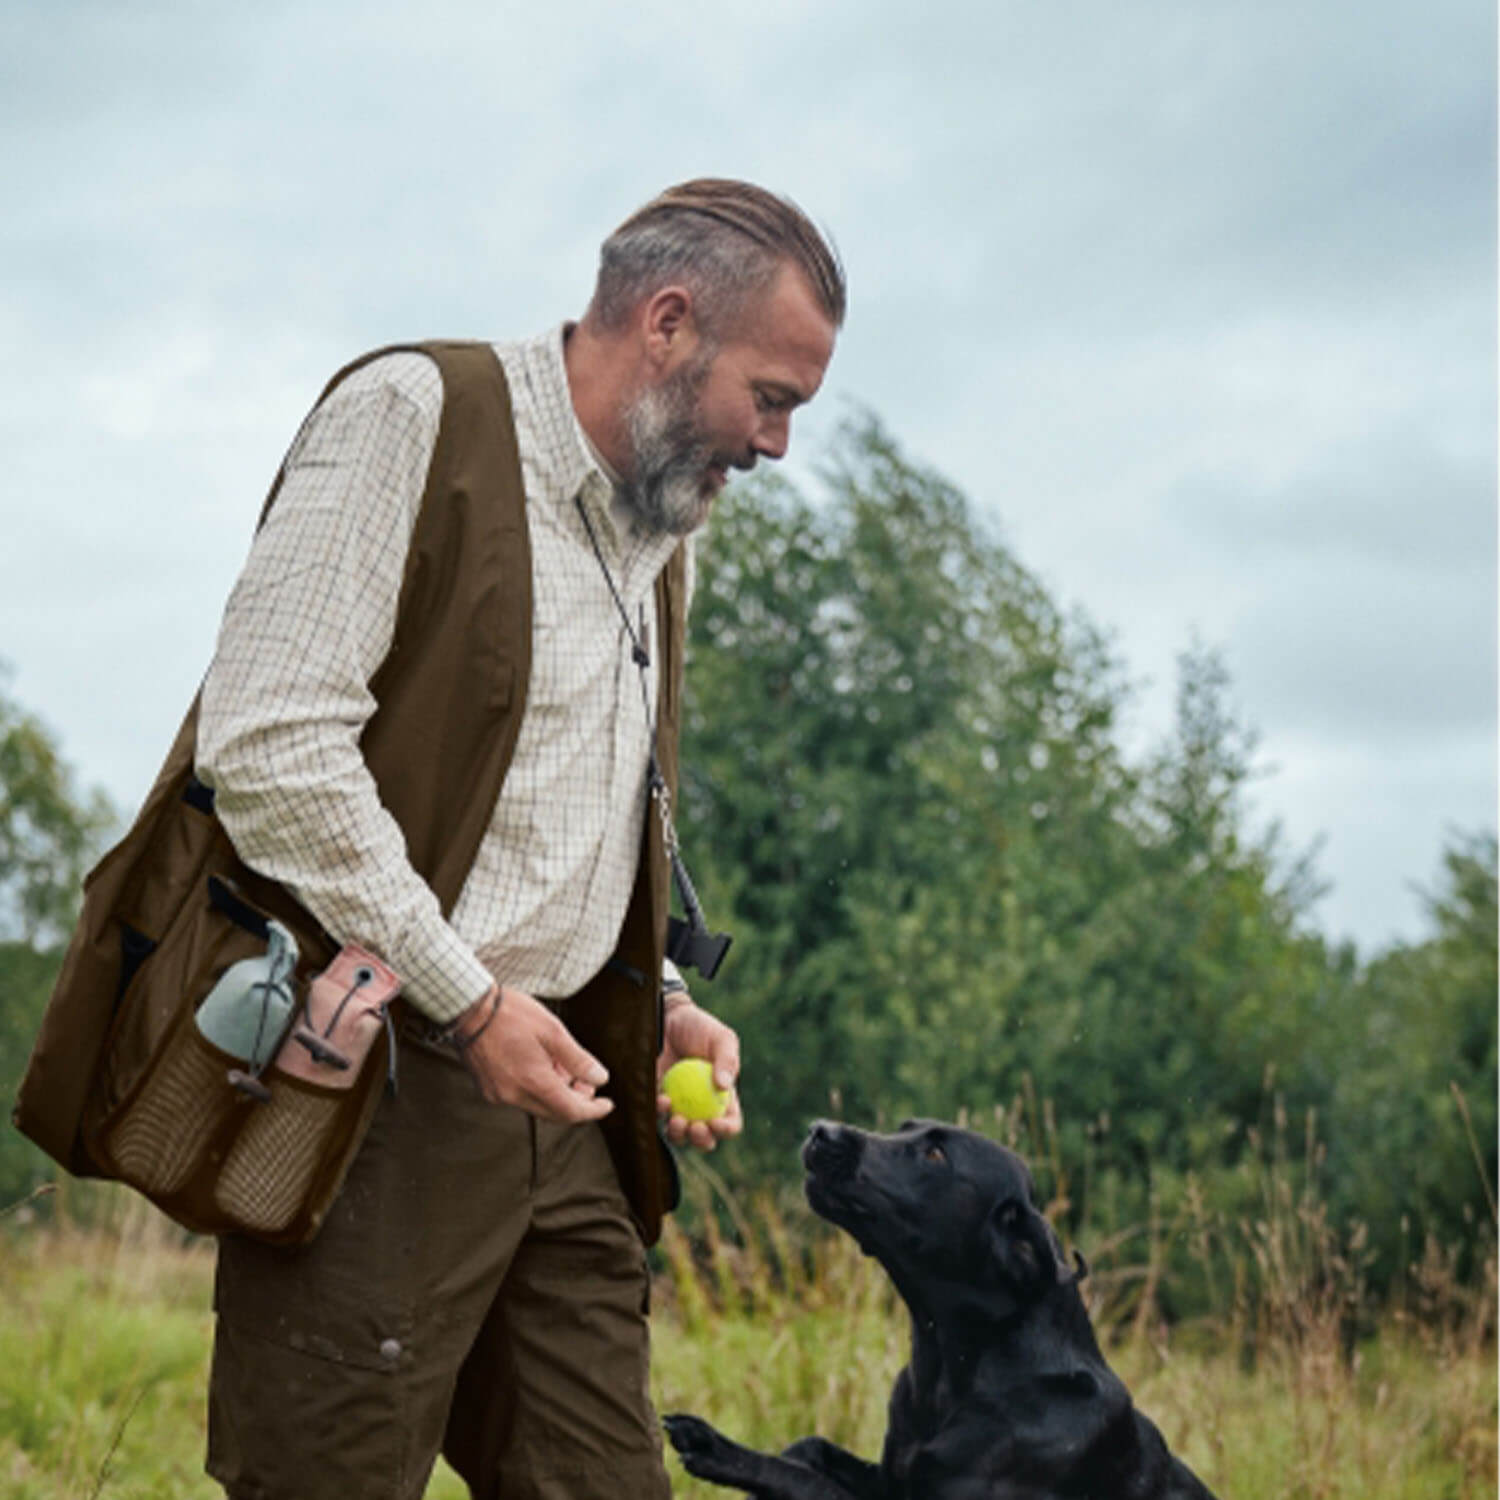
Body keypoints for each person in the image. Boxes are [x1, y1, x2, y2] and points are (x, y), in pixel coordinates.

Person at [194, 179, 844, 1500]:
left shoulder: (662, 520)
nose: (776, 444)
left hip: (565, 1092)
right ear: (669, 324)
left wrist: (654, 992)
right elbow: (266, 743)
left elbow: (571, 809)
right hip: (373, 1083)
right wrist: (472, 998)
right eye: (771, 398)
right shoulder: (409, 419)